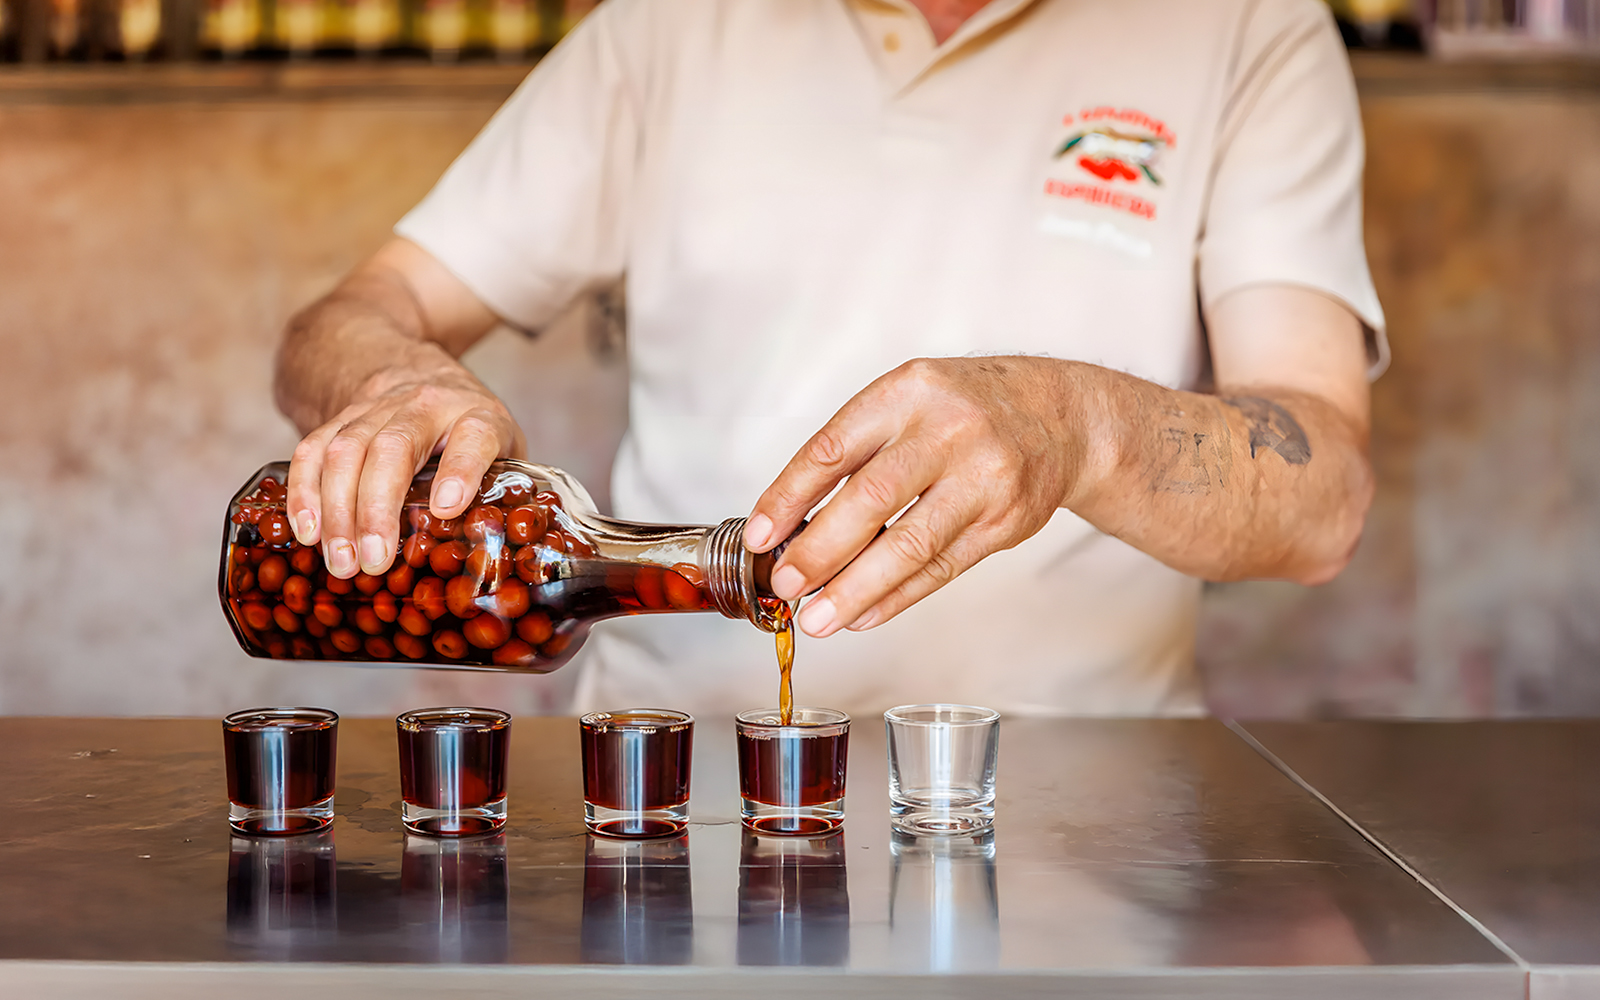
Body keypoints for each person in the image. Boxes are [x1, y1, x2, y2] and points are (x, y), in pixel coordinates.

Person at [274, 0, 1385, 716]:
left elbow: (1323, 495)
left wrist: (1077, 426)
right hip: (664, 807)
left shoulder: (1248, 26)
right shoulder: (669, 26)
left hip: (1084, 826)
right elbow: (359, 311)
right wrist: (392, 376)